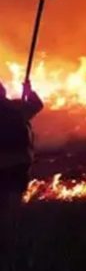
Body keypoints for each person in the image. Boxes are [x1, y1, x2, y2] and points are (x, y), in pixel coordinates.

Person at [0, 81, 44, 211]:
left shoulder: (18, 106)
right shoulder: (17, 106)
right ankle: (15, 223)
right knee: (15, 194)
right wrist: (29, 91)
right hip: (20, 159)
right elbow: (37, 105)